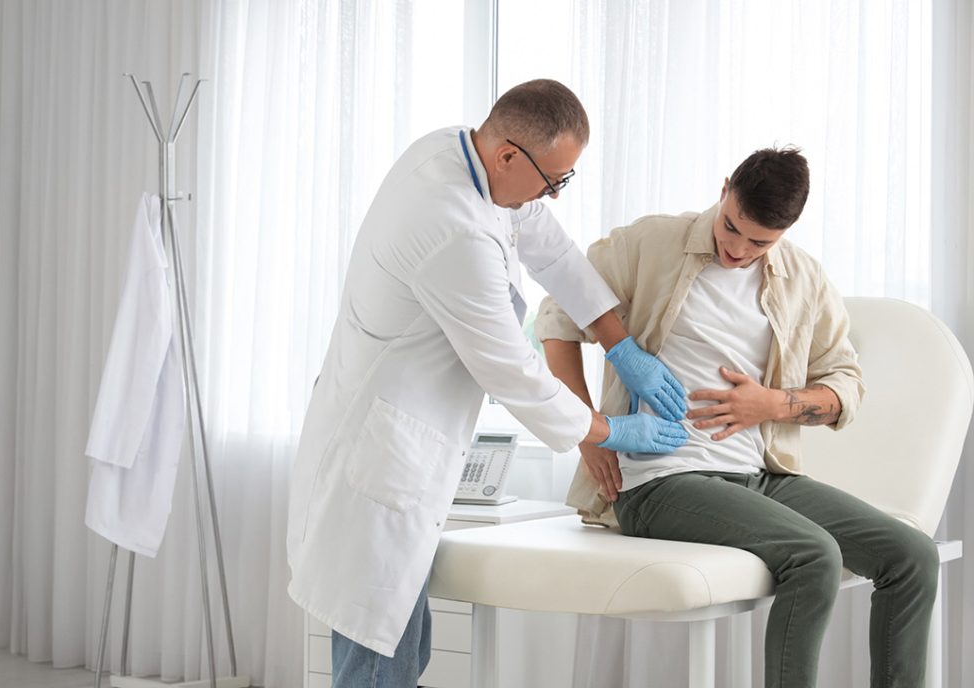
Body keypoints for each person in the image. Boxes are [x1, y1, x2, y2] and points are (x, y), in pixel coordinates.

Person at [286, 79, 688, 688]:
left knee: (402, 653)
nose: (552, 195)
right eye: (552, 181)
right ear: (508, 155)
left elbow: (553, 252)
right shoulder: (454, 230)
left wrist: (620, 343)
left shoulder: (462, 157)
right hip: (378, 459)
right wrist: (607, 428)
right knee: (376, 665)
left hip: (397, 442)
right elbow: (511, 368)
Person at [536, 146, 940, 688]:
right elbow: (557, 316)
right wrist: (586, 430)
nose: (737, 249)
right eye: (732, 228)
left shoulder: (803, 279)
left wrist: (773, 404)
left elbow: (846, 385)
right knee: (814, 556)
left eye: (759, 242)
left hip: (760, 475)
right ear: (724, 189)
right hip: (662, 478)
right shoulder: (651, 242)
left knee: (912, 556)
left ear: (786, 231)